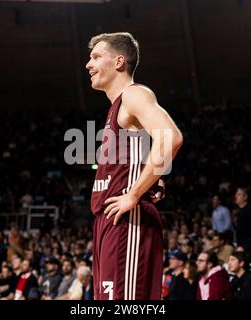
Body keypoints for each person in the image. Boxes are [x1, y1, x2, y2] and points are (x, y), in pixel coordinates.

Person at [86, 32, 183, 300]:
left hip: (128, 219)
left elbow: (170, 138)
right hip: (109, 219)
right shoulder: (116, 107)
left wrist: (135, 193)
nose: (88, 64)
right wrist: (152, 176)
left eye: (96, 57)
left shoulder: (134, 94)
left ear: (118, 62)